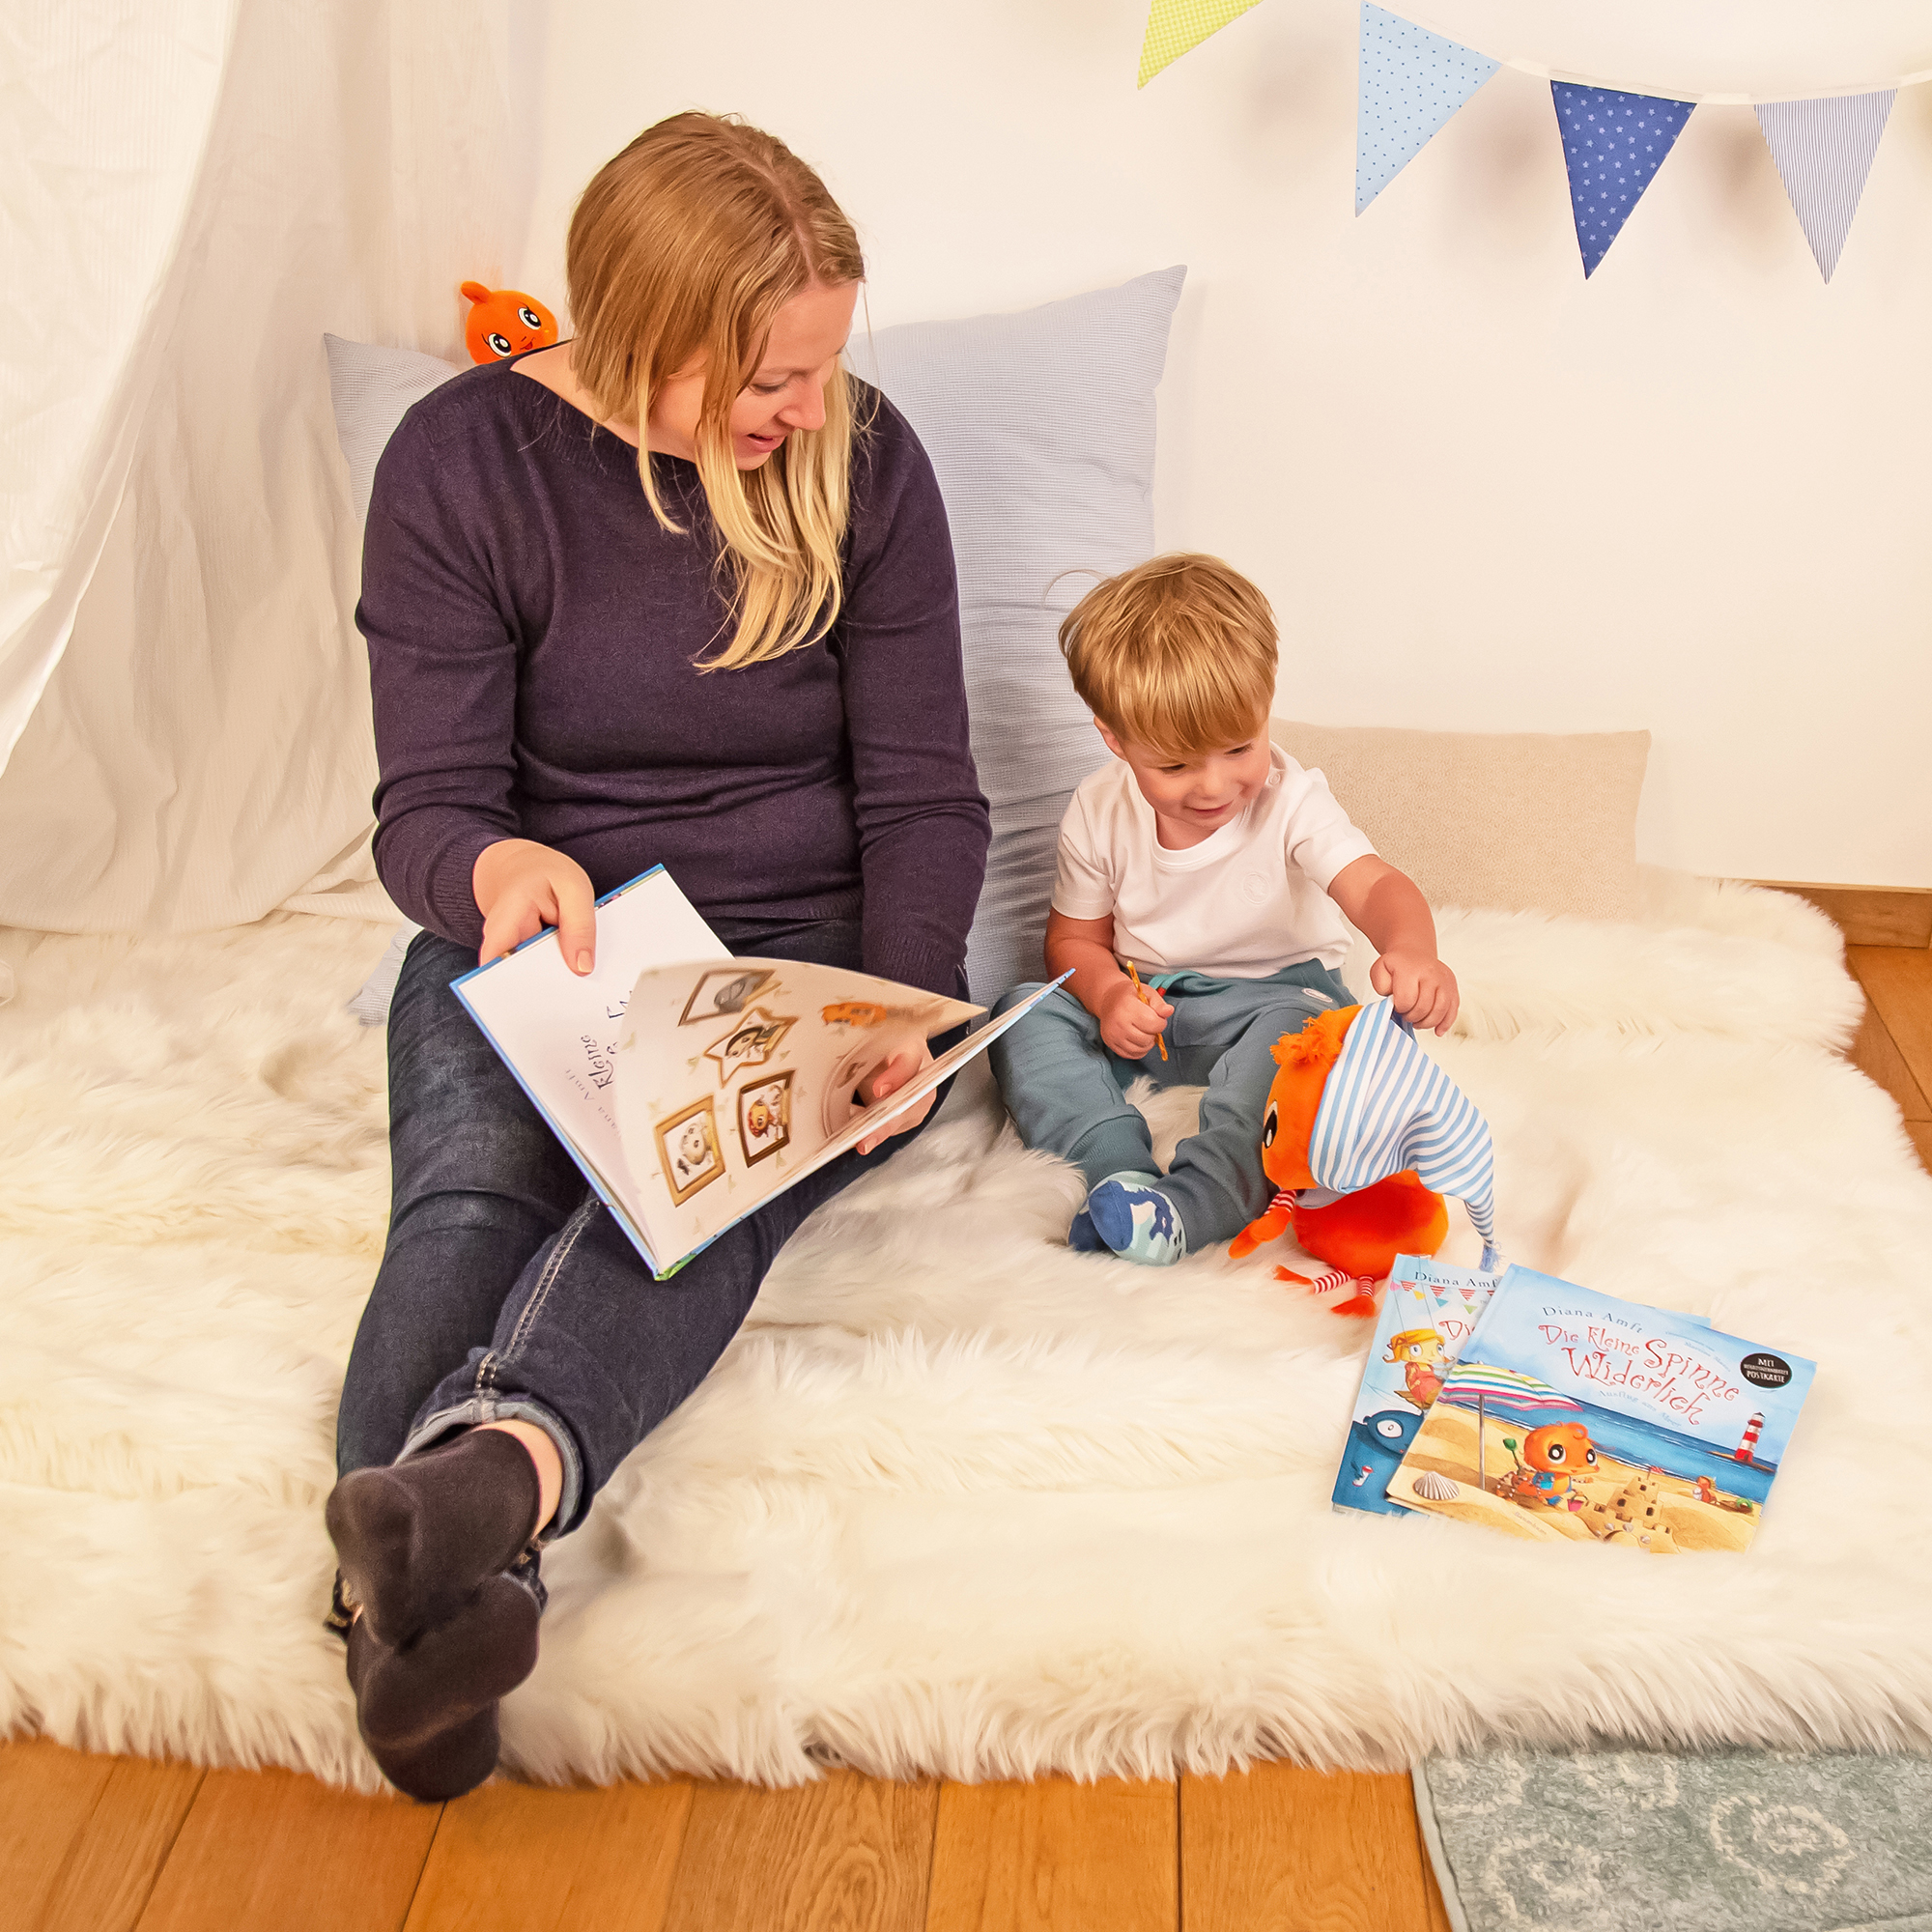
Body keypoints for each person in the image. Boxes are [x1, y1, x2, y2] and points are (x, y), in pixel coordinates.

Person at [326, 112, 989, 1801]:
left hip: (794, 948)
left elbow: (924, 793)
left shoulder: (866, 465)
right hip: (543, 937)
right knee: (469, 1203)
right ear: (643, 334)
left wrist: (904, 998)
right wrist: (496, 869)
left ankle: (463, 1526)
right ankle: (448, 1580)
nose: (811, 412)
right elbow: (428, 809)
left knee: (687, 1192)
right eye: (771, 378)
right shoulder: (462, 463)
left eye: (824, 366)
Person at [988, 554, 1456, 1265]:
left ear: (1265, 706)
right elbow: (1073, 941)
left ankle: (1194, 1206)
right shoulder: (1098, 807)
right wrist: (1109, 995)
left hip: (1278, 1001)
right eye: (1175, 765)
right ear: (1114, 738)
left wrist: (1412, 947)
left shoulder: (1291, 801)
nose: (1213, 785)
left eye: (1239, 747)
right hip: (1150, 1006)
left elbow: (1374, 886)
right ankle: (1117, 1172)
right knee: (1022, 1011)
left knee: (1298, 1060)